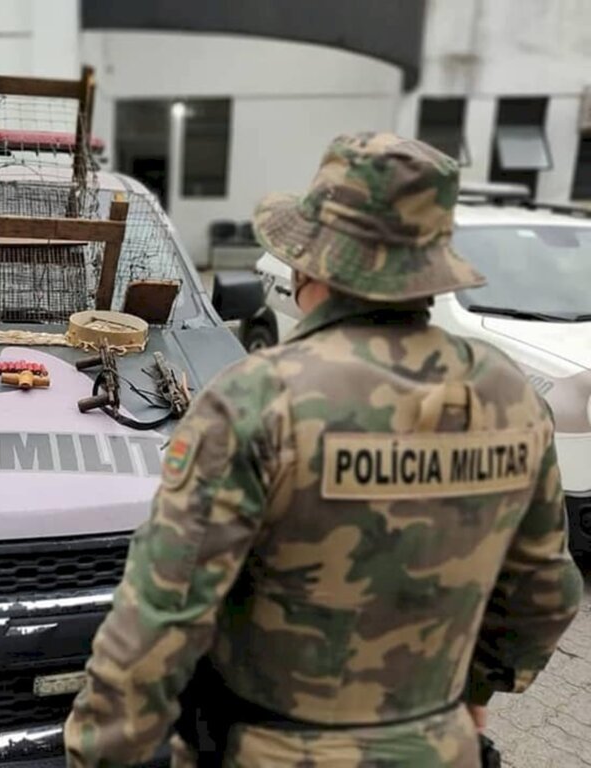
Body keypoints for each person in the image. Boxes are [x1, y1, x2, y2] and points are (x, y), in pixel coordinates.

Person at [63, 132, 583, 768]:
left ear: (307, 266)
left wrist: (104, 754)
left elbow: (158, 620)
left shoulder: (257, 399)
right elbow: (546, 593)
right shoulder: (508, 395)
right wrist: (471, 694)